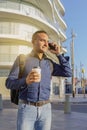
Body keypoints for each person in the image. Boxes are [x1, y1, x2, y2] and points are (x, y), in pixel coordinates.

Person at [5, 30, 72, 130]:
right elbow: (9, 83)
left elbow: (68, 72)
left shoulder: (49, 63)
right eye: (42, 40)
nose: (46, 43)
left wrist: (58, 54)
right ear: (33, 42)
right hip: (27, 109)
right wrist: (25, 81)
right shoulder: (22, 59)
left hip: (46, 109)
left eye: (47, 41)